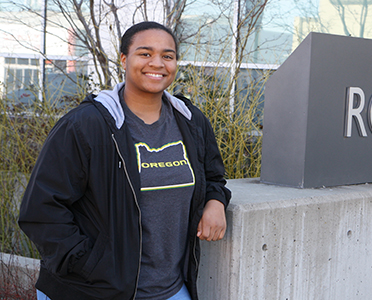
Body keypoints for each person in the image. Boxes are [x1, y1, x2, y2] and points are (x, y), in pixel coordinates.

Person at [18, 21, 231, 300]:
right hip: (91, 291)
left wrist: (215, 202)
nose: (157, 63)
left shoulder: (191, 121)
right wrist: (91, 265)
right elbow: (41, 209)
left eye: (167, 56)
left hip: (171, 290)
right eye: (145, 53)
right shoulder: (87, 125)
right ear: (123, 59)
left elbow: (213, 175)